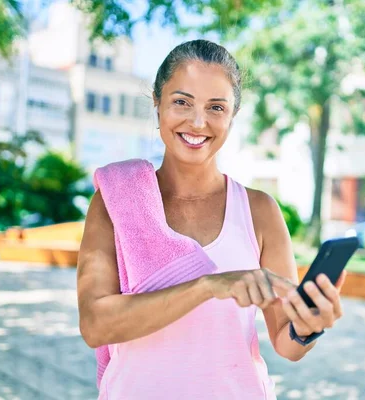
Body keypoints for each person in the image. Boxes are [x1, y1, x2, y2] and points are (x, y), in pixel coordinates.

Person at [76, 39, 347, 399]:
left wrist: (307, 327)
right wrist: (207, 286)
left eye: (216, 107)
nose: (198, 121)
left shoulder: (259, 212)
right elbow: (96, 325)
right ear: (157, 103)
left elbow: (286, 343)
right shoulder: (115, 199)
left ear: (232, 116)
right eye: (181, 102)